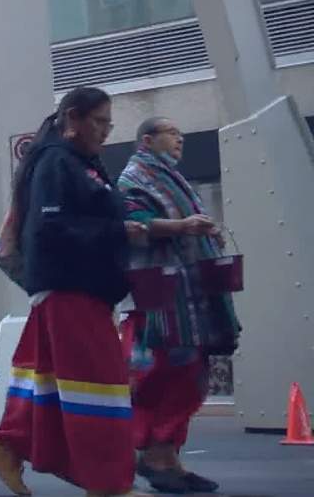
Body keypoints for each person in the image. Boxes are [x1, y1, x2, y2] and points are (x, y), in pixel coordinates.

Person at [0, 87, 148, 497]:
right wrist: (117, 231)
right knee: (99, 388)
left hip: (72, 288)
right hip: (73, 287)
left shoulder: (69, 161)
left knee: (50, 381)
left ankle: (9, 447)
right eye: (100, 122)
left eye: (109, 123)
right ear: (73, 119)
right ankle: (109, 483)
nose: (106, 131)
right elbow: (52, 227)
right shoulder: (60, 163)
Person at [117, 117, 238, 494]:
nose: (180, 138)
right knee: (157, 375)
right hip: (157, 300)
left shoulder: (173, 179)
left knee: (190, 374)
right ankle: (155, 454)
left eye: (181, 133)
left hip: (190, 298)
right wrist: (183, 226)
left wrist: (203, 231)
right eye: (171, 133)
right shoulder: (133, 178)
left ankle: (168, 455)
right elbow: (133, 225)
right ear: (148, 140)